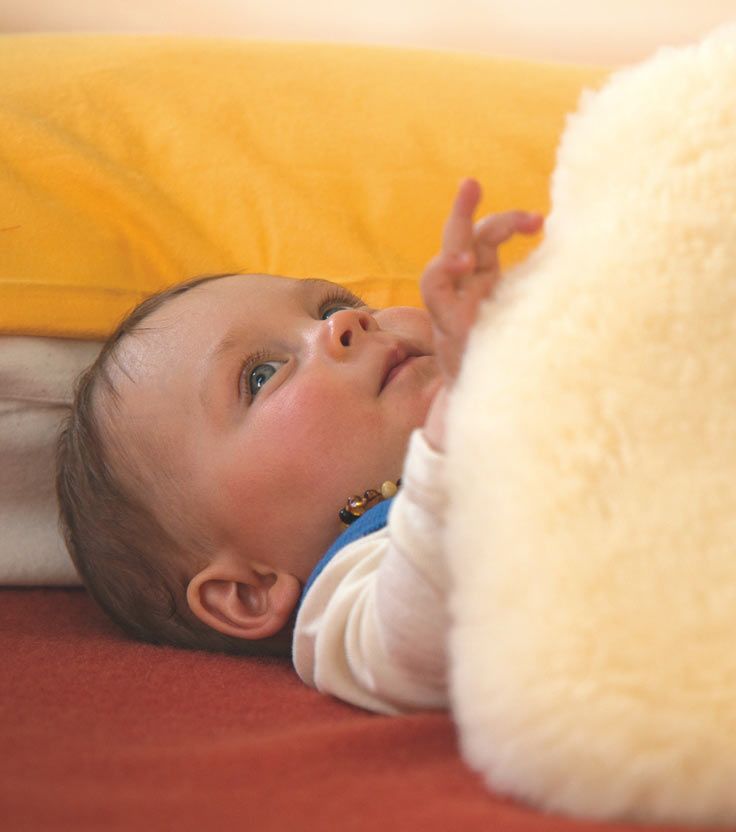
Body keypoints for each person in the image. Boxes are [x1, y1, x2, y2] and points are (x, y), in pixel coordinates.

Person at [57, 178, 543, 713]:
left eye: (332, 305)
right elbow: (424, 639)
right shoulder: (353, 589)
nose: (343, 323)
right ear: (247, 591)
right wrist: (448, 444)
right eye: (262, 375)